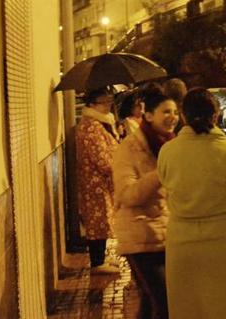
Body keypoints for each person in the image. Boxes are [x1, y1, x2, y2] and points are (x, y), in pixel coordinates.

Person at [157, 88, 226, 318]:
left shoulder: (167, 152)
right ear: (216, 115)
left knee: (191, 310)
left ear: (183, 116)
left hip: (182, 247)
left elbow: (167, 189)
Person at [113, 86, 179, 318]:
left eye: (175, 112)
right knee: (164, 303)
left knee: (152, 303)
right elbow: (127, 194)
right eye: (166, 112)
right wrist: (160, 173)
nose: (173, 117)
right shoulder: (128, 148)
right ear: (148, 115)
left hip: (166, 236)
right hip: (140, 238)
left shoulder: (171, 146)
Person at [75, 87, 121, 274]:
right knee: (98, 220)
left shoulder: (98, 123)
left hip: (99, 182)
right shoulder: (91, 126)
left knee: (101, 219)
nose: (108, 106)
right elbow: (101, 157)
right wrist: (117, 168)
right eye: (104, 102)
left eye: (109, 102)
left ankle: (100, 258)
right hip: (95, 183)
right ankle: (97, 262)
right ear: (92, 104)